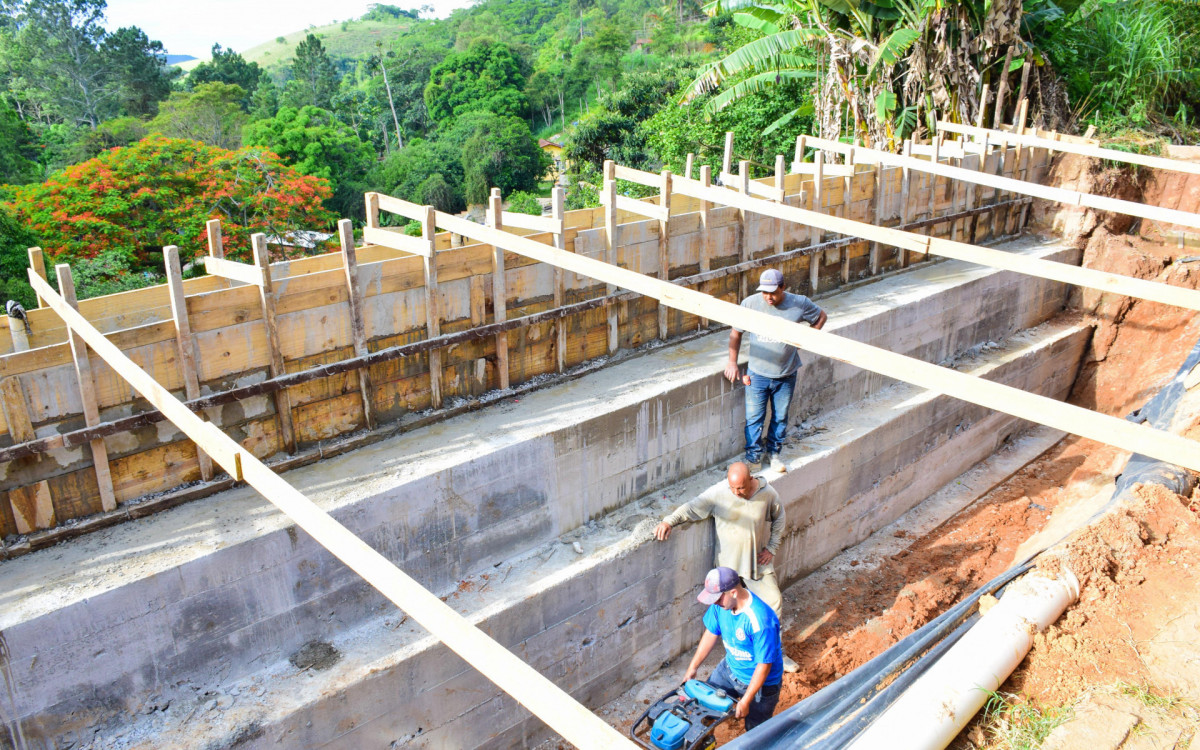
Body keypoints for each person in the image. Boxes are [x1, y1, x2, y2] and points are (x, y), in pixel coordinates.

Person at [654, 462, 798, 672]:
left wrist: (772, 548)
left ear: (750, 480)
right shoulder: (719, 494)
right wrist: (669, 521)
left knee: (774, 602)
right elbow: (693, 507)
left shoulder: (767, 493)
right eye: (733, 489)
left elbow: (780, 517)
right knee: (724, 610)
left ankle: (775, 654)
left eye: (740, 488)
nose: (737, 493)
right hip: (727, 570)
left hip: (754, 564)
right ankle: (738, 653)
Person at [726, 268, 827, 473]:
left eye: (773, 292)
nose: (768, 297)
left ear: (783, 287)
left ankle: (774, 454)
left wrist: (802, 341)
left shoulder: (799, 303)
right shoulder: (750, 304)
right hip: (757, 374)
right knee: (754, 418)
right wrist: (732, 362)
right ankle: (753, 458)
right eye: (764, 292)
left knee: (780, 417)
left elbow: (821, 317)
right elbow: (735, 334)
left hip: (786, 374)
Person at [684, 566, 783, 732]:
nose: (715, 603)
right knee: (703, 713)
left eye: (717, 598)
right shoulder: (721, 606)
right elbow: (710, 633)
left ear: (733, 592)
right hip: (729, 670)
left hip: (761, 686)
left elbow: (764, 665)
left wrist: (746, 700)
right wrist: (692, 668)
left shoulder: (760, 620)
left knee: (756, 732)